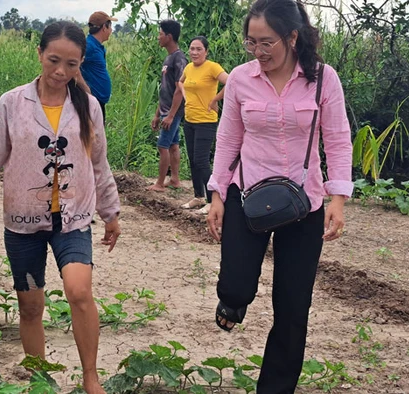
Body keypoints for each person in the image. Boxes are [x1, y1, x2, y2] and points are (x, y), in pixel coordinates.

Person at [0, 21, 121, 394]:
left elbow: (99, 164)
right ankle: (41, 380)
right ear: (40, 54)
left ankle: (91, 377)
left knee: (79, 292)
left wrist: (112, 213)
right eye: (54, 60)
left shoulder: (88, 106)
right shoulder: (13, 103)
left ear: (80, 65)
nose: (61, 72)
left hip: (74, 219)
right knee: (30, 307)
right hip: (23, 222)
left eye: (72, 65)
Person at [205, 0, 352, 392]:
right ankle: (233, 301)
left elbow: (337, 139)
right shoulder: (239, 79)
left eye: (267, 42)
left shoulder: (323, 79)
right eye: (251, 42)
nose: (259, 51)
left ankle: (275, 387)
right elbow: (229, 138)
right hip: (247, 193)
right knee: (235, 286)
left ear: (292, 36)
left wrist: (337, 198)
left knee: (292, 306)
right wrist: (217, 192)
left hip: (304, 202)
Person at [177, 36, 229, 214]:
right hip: (189, 120)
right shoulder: (189, 67)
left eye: (199, 49)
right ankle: (198, 196)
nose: (194, 52)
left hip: (206, 121)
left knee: (201, 160)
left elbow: (231, 82)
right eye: (192, 48)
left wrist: (215, 99)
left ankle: (211, 200)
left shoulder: (212, 67)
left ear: (206, 51)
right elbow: (180, 81)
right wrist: (186, 98)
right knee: (192, 159)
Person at [147, 19, 188, 192]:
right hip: (165, 110)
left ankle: (159, 183)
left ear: (169, 37)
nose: (158, 37)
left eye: (160, 34)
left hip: (172, 112)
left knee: (162, 146)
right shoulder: (168, 58)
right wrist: (157, 113)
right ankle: (175, 180)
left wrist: (171, 115)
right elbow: (165, 90)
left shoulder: (179, 59)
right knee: (173, 145)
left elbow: (180, 89)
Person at [80, 11, 118, 124]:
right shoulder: (89, 46)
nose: (111, 30)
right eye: (110, 26)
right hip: (92, 101)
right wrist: (85, 88)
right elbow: (73, 67)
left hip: (98, 101)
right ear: (104, 28)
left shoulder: (96, 46)